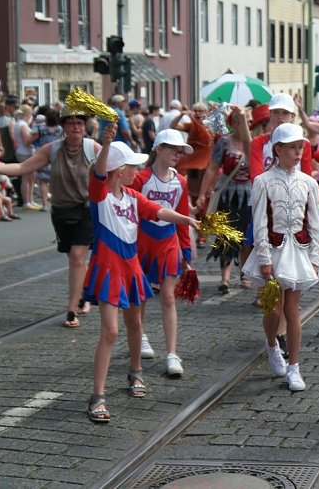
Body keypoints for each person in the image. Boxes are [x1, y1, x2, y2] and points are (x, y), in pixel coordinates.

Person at [85, 125, 199, 424]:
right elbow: (97, 175)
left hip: (131, 266)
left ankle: (135, 372)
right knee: (110, 331)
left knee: (135, 323)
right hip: (109, 268)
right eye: (132, 166)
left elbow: (159, 211)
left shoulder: (134, 196)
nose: (137, 170)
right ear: (118, 171)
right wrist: (107, 143)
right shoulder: (100, 197)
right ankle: (97, 395)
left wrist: (187, 219)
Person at [0, 104, 103, 327]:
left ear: (85, 126)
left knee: (78, 257)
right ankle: (84, 295)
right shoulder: (53, 150)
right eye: (70, 123)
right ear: (63, 127)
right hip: (61, 210)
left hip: (86, 210)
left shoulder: (93, 148)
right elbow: (21, 168)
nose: (75, 127)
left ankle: (71, 310)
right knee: (75, 258)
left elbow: (112, 171)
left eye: (79, 123)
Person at [242, 123, 319, 391]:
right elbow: (259, 223)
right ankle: (272, 343)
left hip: (297, 251)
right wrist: (264, 258)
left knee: (292, 310)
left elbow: (314, 222)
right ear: (278, 149)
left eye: (300, 147)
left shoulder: (309, 182)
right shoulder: (263, 181)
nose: (298, 152)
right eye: (291, 147)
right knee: (273, 309)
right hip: (274, 250)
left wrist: (315, 256)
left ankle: (294, 366)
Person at [130, 129, 194, 376]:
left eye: (180, 151)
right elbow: (131, 212)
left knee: (168, 297)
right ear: (158, 149)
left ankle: (171, 353)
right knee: (142, 296)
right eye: (172, 149)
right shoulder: (140, 178)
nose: (177, 154)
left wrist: (186, 249)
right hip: (142, 241)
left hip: (167, 241)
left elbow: (182, 217)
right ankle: (141, 336)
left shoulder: (182, 181)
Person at [196, 106, 252, 294]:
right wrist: (203, 193)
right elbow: (212, 168)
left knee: (246, 237)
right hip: (227, 195)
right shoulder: (224, 143)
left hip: (248, 196)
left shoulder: (253, 144)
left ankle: (245, 273)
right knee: (226, 236)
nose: (245, 125)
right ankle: (225, 278)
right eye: (240, 121)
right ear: (232, 123)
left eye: (248, 122)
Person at [12, 106, 41, 209]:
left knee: (31, 177)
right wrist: (36, 137)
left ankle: (30, 200)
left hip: (22, 151)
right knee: (27, 178)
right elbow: (27, 141)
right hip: (25, 152)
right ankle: (27, 201)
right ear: (28, 114)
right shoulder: (23, 125)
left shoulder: (18, 124)